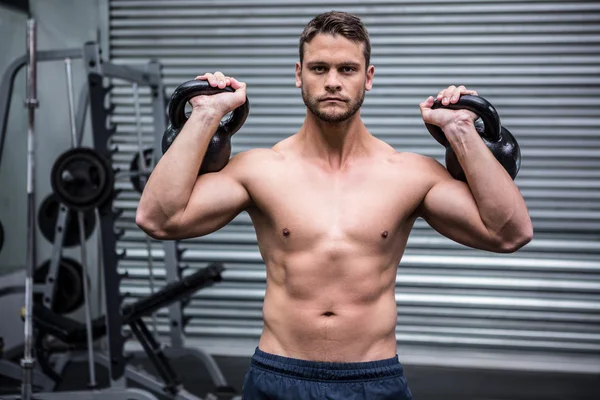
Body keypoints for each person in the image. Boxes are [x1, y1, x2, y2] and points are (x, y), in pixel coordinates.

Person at [136, 10, 533, 400]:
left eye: (347, 69)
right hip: (279, 373)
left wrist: (462, 129)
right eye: (318, 68)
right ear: (298, 74)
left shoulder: (409, 174)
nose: (332, 82)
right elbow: (158, 218)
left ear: (368, 77)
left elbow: (509, 232)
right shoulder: (261, 169)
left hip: (373, 379)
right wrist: (205, 114)